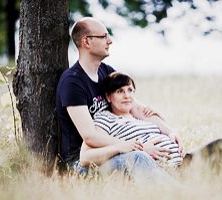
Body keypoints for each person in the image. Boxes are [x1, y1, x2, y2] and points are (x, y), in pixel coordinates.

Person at [56, 17, 175, 178]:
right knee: (139, 158)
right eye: (104, 36)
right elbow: (90, 136)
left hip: (120, 151)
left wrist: (170, 132)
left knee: (216, 148)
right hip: (84, 162)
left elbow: (137, 108)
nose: (110, 41)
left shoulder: (106, 71)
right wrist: (134, 146)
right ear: (86, 42)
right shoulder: (72, 82)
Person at [80, 72, 222, 179]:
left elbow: (164, 126)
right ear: (109, 97)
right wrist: (135, 149)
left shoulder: (139, 115)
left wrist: (172, 135)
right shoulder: (104, 119)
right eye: (120, 91)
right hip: (161, 171)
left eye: (130, 90)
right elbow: (86, 157)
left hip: (184, 164)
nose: (127, 96)